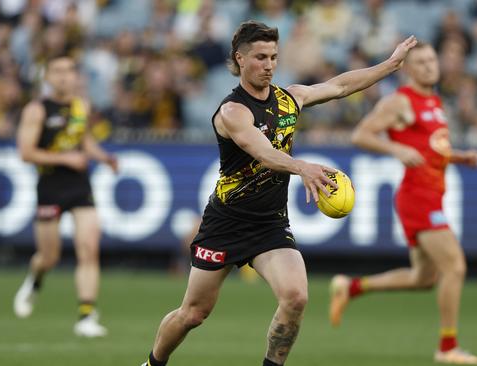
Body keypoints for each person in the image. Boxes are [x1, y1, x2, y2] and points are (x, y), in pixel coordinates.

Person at [141, 20, 416, 366]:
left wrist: (390, 65)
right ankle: (152, 363)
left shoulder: (290, 98)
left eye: (273, 56)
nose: (269, 65)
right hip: (225, 223)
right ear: (240, 59)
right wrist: (302, 167)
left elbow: (341, 86)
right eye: (260, 57)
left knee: (296, 297)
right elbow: (261, 151)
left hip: (269, 225)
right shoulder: (232, 111)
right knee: (193, 313)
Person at [329, 43, 477, 365]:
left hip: (431, 193)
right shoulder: (400, 101)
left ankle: (351, 287)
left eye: (432, 60)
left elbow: (430, 150)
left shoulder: (435, 102)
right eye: (421, 62)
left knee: (424, 279)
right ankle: (447, 347)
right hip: (418, 197)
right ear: (409, 69)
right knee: (455, 266)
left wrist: (458, 157)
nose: (429, 66)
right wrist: (395, 151)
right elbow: (360, 135)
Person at [13, 54, 118, 338]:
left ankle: (86, 314)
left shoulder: (80, 105)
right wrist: (65, 159)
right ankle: (35, 280)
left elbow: (83, 139)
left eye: (69, 70)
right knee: (49, 256)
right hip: (50, 185)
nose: (64, 76)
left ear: (76, 76)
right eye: (57, 71)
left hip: (79, 185)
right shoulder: (37, 110)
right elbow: (26, 152)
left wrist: (103, 157)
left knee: (88, 248)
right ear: (47, 76)